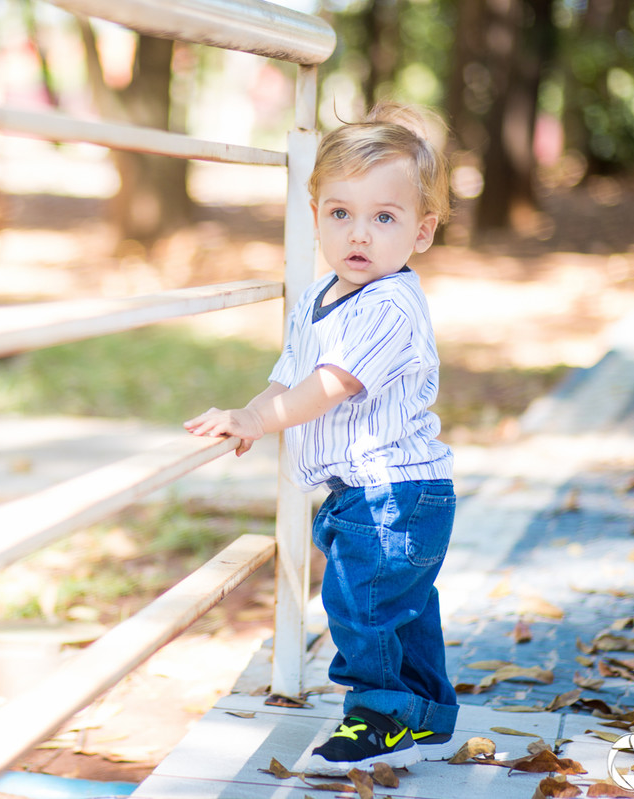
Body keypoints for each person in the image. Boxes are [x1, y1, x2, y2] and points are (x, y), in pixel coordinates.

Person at [184, 103, 458, 774]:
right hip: (363, 493)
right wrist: (247, 414)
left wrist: (264, 421)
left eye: (384, 218)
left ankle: (379, 716)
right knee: (399, 606)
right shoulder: (316, 298)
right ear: (315, 216)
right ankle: (426, 712)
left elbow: (331, 383)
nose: (358, 233)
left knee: (359, 605)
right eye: (340, 213)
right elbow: (288, 378)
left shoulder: (392, 304)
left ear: (421, 231)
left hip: (394, 493)